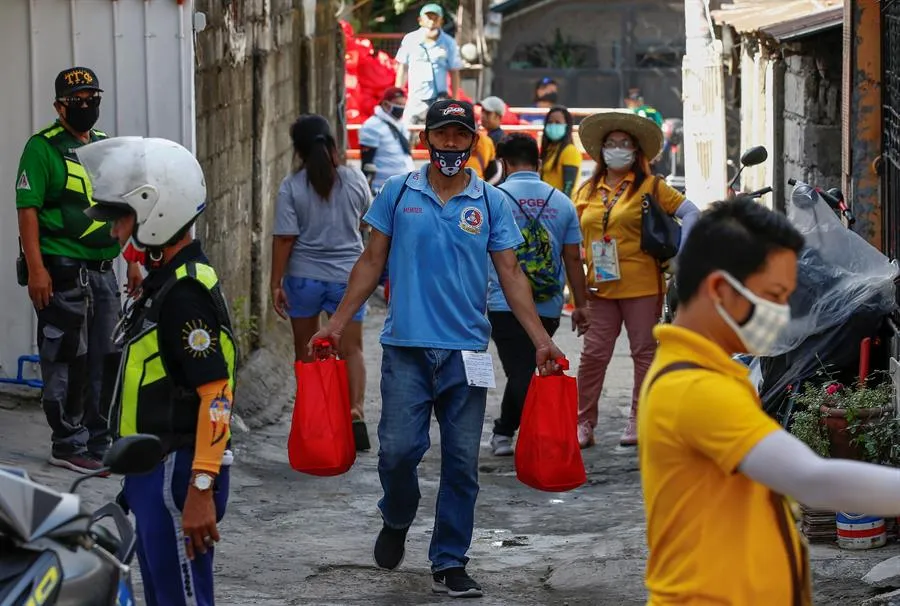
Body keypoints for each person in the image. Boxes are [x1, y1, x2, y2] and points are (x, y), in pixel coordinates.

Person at [310, 99, 565, 598]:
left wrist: (542, 339)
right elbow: (370, 261)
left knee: (462, 464)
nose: (451, 143)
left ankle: (449, 560)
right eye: (442, 134)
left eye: (460, 135)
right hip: (406, 347)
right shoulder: (397, 191)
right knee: (398, 453)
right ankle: (398, 514)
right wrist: (337, 323)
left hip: (466, 352)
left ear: (474, 142)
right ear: (427, 139)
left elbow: (510, 273)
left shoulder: (490, 202)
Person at [639, 196, 900, 604]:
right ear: (721, 291)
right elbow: (812, 479)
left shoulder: (706, 371)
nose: (782, 314)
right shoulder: (696, 390)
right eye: (774, 296)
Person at [77, 136, 235, 606]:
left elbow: (218, 394)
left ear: (155, 212)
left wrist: (200, 488)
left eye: (121, 218)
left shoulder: (184, 295)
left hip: (179, 475)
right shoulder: (166, 283)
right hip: (157, 474)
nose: (114, 232)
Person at [14, 66, 142, 474]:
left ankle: (99, 439)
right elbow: (27, 210)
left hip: (104, 269)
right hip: (63, 270)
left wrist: (133, 258)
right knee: (69, 356)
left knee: (107, 356)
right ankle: (67, 443)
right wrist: (37, 269)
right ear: (59, 106)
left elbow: (123, 205)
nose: (87, 106)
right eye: (78, 101)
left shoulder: (104, 146)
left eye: (93, 98)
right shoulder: (42, 148)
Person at [573, 110, 699, 448]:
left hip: (643, 285)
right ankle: (583, 422)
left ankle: (639, 419)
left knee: (644, 353)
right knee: (593, 355)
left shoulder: (651, 186)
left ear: (636, 151)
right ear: (600, 151)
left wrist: (678, 256)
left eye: (624, 144)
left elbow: (691, 213)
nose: (617, 149)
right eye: (611, 144)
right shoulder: (587, 189)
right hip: (598, 287)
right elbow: (573, 235)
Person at [270, 115, 372, 451]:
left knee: (306, 349)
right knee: (352, 348)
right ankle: (354, 410)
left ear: (298, 150)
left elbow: (285, 239)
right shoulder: (354, 180)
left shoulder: (292, 186)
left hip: (304, 278)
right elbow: (365, 221)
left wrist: (275, 283)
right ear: (331, 143)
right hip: (347, 278)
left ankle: (316, 413)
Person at [487, 134, 590, 456]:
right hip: (547, 302)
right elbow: (573, 258)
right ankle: (509, 431)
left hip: (503, 302)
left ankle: (511, 433)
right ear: (540, 163)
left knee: (520, 370)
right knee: (524, 368)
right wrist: (581, 304)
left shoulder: (494, 198)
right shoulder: (561, 201)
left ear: (504, 162)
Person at [395, 4, 463, 129]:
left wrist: (455, 100)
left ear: (441, 21)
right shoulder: (410, 39)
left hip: (439, 99)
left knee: (440, 134)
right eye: (428, 17)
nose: (431, 21)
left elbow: (454, 71)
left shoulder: (449, 42)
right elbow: (402, 68)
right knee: (407, 132)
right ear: (420, 20)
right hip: (416, 98)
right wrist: (397, 94)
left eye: (435, 18)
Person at [359, 87, 416, 195]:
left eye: (403, 105)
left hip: (405, 187)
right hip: (383, 189)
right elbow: (367, 164)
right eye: (398, 104)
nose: (401, 108)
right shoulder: (372, 126)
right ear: (385, 104)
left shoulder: (400, 124)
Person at [538, 105, 581, 197]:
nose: (553, 125)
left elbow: (568, 187)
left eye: (558, 123)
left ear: (567, 126)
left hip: (560, 206)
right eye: (550, 122)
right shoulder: (549, 150)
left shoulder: (570, 151)